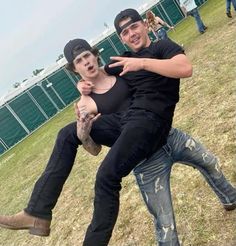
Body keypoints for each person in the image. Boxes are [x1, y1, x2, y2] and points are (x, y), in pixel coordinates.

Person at [0, 39, 235, 246]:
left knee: (210, 163)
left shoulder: (120, 70)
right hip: (143, 159)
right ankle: (37, 212)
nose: (86, 63)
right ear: (74, 69)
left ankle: (230, 198)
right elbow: (94, 150)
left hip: (166, 136)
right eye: (79, 61)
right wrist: (84, 135)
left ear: (95, 55)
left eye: (87, 56)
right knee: (165, 223)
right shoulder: (85, 104)